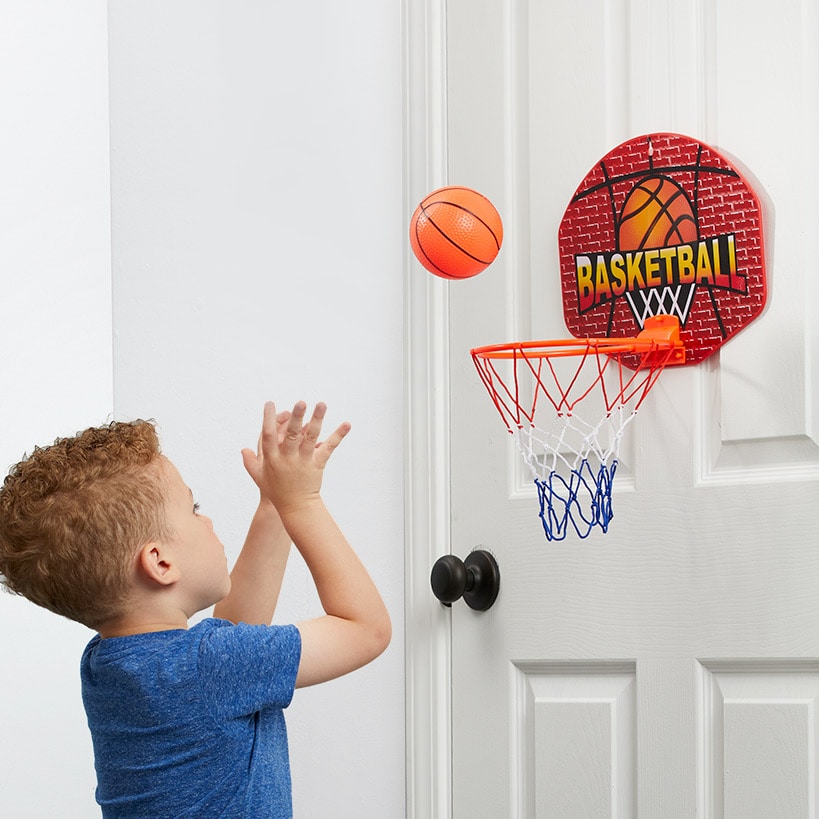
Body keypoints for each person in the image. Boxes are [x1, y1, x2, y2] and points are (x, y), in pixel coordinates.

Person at [0, 400, 391, 818]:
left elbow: (232, 634)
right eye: (193, 509)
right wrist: (302, 503)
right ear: (161, 563)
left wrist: (273, 505)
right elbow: (365, 628)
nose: (207, 521)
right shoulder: (208, 665)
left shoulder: (106, 665)